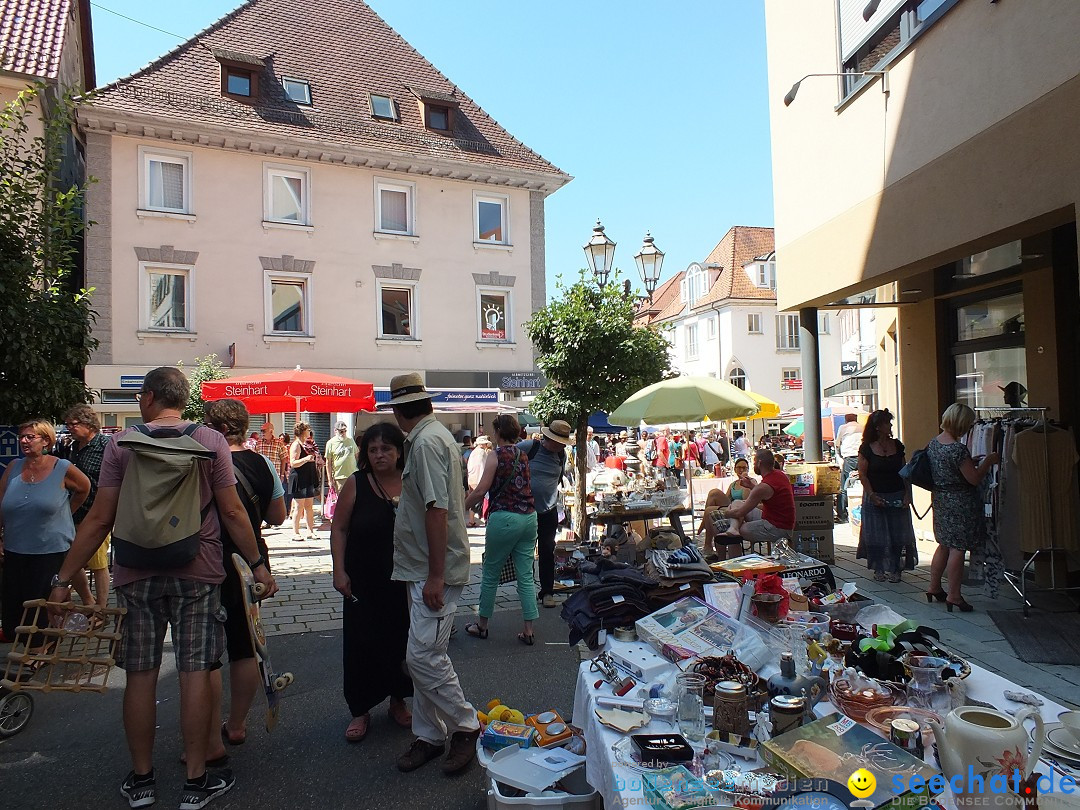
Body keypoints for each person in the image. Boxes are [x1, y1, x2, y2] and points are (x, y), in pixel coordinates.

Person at [47, 366, 276, 810]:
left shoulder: (120, 444)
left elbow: (98, 519)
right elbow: (231, 512)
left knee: (140, 674)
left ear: (148, 397)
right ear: (183, 399)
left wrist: (62, 581)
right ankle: (196, 782)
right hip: (199, 569)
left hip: (135, 570)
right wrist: (258, 565)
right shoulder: (208, 442)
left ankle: (142, 780)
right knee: (194, 673)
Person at [378, 372, 480, 775]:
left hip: (431, 567)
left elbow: (437, 511)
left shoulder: (423, 442)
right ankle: (429, 735)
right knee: (423, 653)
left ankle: (464, 724)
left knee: (421, 656)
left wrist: (436, 576)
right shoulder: (431, 438)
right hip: (422, 564)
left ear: (400, 411)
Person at [202, 399, 286, 756]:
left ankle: (202, 735)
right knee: (244, 645)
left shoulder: (203, 461)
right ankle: (236, 725)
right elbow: (279, 515)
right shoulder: (262, 462)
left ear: (216, 429)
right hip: (248, 561)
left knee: (204, 655)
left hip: (205, 559)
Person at [330, 422, 413, 743]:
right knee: (361, 642)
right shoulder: (357, 483)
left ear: (399, 452)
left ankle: (398, 700)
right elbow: (338, 529)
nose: (379, 455)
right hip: (362, 577)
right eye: (373, 450)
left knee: (400, 640)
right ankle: (360, 709)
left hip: (402, 577)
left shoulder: (411, 482)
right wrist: (339, 570)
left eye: (386, 449)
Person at [0, 419, 91, 643]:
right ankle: (24, 652)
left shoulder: (61, 467)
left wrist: (65, 512)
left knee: (42, 612)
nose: (23, 440)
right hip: (15, 550)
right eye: (22, 436)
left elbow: (84, 488)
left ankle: (40, 655)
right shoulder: (13, 468)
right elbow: (1, 504)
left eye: (30, 437)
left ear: (46, 440)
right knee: (14, 610)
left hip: (49, 551)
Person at [464, 413, 539, 644]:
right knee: (525, 575)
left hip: (504, 518)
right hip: (529, 518)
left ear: (498, 433)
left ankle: (482, 625)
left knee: (490, 573)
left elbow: (480, 490)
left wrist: (460, 508)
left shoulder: (495, 456)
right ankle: (528, 630)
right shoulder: (522, 455)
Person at [926, 403, 999, 612]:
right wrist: (988, 461)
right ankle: (954, 595)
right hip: (960, 502)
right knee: (958, 548)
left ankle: (934, 587)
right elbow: (974, 479)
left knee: (943, 544)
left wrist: (971, 461)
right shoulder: (958, 449)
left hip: (941, 499)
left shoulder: (934, 443)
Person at [855, 409, 917, 582]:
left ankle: (896, 568)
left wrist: (908, 494)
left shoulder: (897, 445)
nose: (890, 426)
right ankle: (879, 568)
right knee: (877, 534)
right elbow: (863, 474)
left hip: (896, 493)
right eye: (887, 423)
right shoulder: (866, 448)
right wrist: (872, 494)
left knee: (899, 533)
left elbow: (905, 472)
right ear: (877, 427)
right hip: (875, 496)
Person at [518, 420, 573, 609]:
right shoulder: (528, 447)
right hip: (525, 509)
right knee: (525, 552)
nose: (560, 445)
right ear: (548, 438)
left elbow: (557, 480)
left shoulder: (561, 455)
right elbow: (505, 459)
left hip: (548, 511)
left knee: (547, 551)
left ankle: (547, 591)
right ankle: (525, 590)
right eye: (558, 441)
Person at [63, 404, 113, 610]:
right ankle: (88, 601)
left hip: (96, 511)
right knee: (70, 556)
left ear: (88, 424)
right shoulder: (73, 447)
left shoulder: (105, 445)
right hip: (74, 511)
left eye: (73, 424)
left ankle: (101, 608)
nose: (70, 428)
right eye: (67, 425)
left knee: (98, 562)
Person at [725, 449, 795, 551]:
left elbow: (740, 512)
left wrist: (725, 513)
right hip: (780, 521)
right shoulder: (779, 475)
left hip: (778, 528)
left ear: (759, 462)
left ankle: (734, 531)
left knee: (742, 529)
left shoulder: (763, 487)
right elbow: (769, 494)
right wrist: (751, 486)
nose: (753, 465)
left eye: (754, 462)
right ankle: (733, 528)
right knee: (737, 503)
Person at [719, 457, 762, 543]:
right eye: (739, 467)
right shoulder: (733, 484)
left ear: (748, 469)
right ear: (735, 469)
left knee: (734, 503)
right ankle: (708, 545)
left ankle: (705, 538)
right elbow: (727, 499)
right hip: (732, 507)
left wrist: (745, 482)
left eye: (744, 468)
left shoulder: (751, 482)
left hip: (745, 509)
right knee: (713, 494)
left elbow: (747, 500)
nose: (741, 470)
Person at [289, 422, 318, 541]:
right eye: (307, 429)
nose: (309, 431)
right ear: (302, 431)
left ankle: (310, 531)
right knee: (299, 506)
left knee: (309, 506)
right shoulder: (296, 445)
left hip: (309, 476)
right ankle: (295, 533)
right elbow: (293, 462)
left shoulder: (308, 444)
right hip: (299, 477)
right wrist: (306, 459)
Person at [255, 422, 288, 519]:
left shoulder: (279, 443)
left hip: (275, 475)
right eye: (261, 431)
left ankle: (273, 518)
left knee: (275, 498)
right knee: (262, 498)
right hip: (261, 476)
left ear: (271, 431)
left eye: (264, 430)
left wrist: (282, 475)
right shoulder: (258, 443)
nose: (262, 433)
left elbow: (284, 459)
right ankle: (264, 518)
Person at [834, 413, 862, 522]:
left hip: (849, 458)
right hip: (862, 457)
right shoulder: (862, 427)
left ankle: (842, 515)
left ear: (846, 420)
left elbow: (837, 443)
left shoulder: (843, 428)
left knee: (845, 486)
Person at [325, 421, 359, 496]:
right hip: (340, 477)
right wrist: (330, 480)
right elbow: (328, 463)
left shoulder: (350, 440)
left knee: (355, 498)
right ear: (335, 431)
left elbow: (357, 456)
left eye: (345, 431)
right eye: (341, 431)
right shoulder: (330, 443)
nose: (343, 433)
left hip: (353, 475)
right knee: (343, 500)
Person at [466, 435, 493, 527]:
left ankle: (471, 520)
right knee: (485, 500)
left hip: (472, 478)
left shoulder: (473, 453)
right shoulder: (482, 453)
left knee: (472, 499)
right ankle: (485, 518)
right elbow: (483, 466)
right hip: (479, 479)